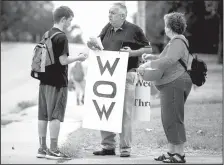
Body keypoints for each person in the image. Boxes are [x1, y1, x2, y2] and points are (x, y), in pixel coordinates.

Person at [87, 2, 152, 157]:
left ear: (122, 15)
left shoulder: (135, 30)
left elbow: (148, 49)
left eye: (113, 13)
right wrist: (93, 46)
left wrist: (132, 52)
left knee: (124, 112)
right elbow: (99, 43)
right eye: (109, 12)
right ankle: (108, 146)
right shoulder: (107, 28)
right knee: (105, 108)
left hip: (126, 74)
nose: (109, 15)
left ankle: (125, 148)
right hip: (106, 75)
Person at [139, 12, 192, 163]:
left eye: (166, 25)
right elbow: (164, 58)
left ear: (170, 27)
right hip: (171, 83)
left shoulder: (178, 42)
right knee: (168, 118)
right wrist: (151, 58)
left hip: (175, 82)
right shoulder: (173, 42)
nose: (165, 28)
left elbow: (169, 60)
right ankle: (171, 152)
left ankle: (179, 155)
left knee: (174, 118)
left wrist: (148, 64)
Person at [36, 6, 88, 160]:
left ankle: (42, 148)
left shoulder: (46, 34)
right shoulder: (62, 37)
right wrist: (79, 58)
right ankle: (53, 150)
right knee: (55, 116)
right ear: (63, 19)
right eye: (70, 20)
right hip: (57, 82)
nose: (70, 23)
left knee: (43, 115)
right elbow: (63, 60)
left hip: (43, 81)